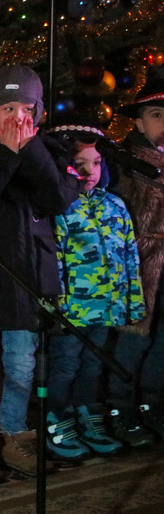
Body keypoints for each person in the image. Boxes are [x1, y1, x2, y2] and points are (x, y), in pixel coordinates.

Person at [0, 65, 81, 484]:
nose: (16, 118)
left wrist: (32, 152)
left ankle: (17, 436)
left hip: (29, 277)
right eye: (7, 107)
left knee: (23, 365)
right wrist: (6, 154)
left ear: (38, 113)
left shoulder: (47, 152)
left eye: (26, 108)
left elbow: (60, 198)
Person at [43, 116, 144, 460]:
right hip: (72, 312)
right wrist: (54, 306)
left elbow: (129, 256)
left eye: (96, 163)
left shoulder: (115, 206)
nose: (90, 171)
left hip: (106, 307)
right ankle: (57, 417)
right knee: (66, 365)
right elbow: (53, 260)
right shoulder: (61, 209)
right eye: (79, 164)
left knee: (93, 366)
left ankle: (88, 415)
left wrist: (132, 304)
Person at [104, 76, 164, 445]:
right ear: (140, 123)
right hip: (142, 261)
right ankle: (120, 406)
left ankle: (152, 404)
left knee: (161, 339)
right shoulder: (126, 162)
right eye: (157, 115)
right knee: (134, 338)